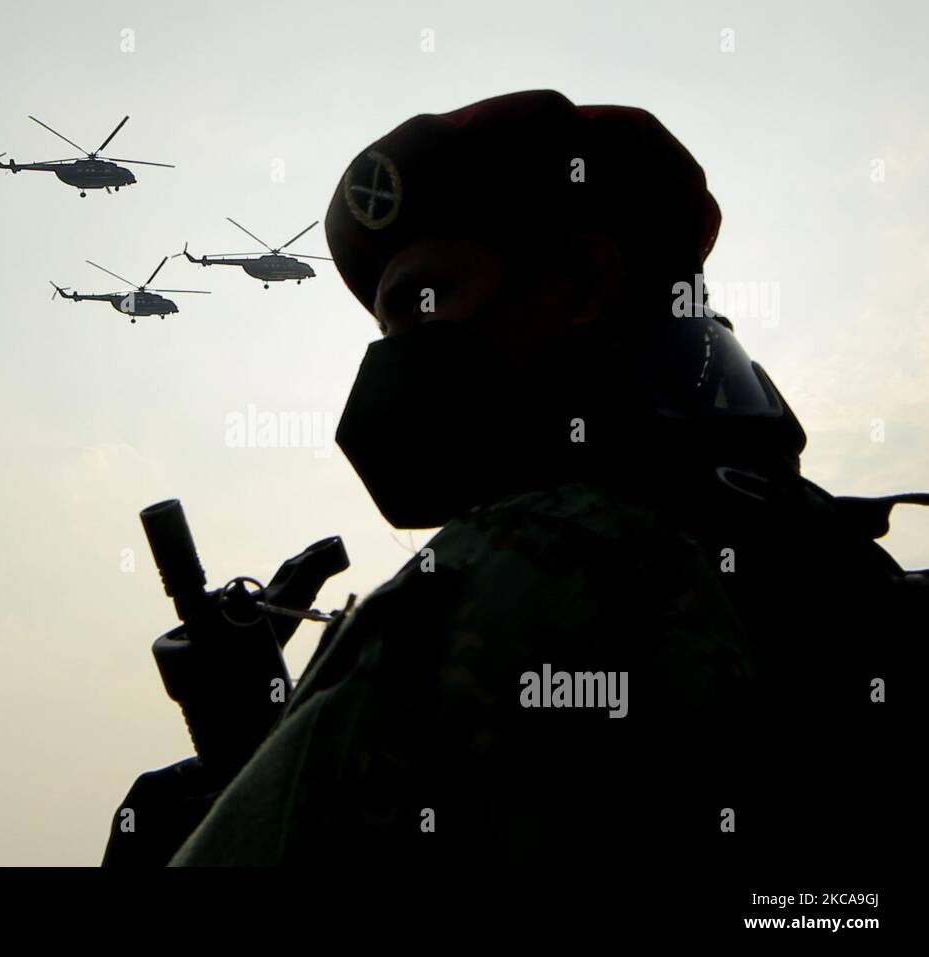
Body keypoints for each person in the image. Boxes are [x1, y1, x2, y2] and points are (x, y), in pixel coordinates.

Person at [106, 90, 918, 871]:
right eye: (391, 327)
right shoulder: (829, 559)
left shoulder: (534, 557)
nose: (396, 359)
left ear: (580, 286)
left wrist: (261, 759)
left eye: (427, 302)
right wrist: (274, 746)